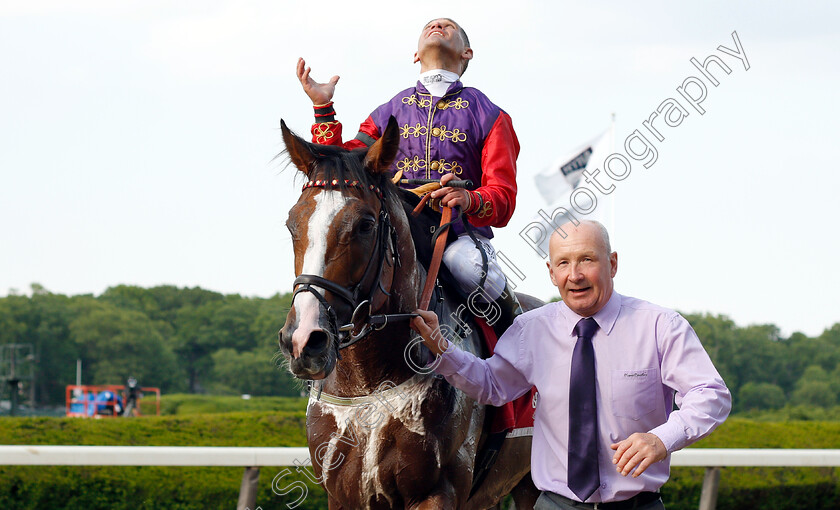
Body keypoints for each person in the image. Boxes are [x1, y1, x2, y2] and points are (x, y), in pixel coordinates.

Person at [411, 220, 731, 509]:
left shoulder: (661, 326)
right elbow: (492, 385)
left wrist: (662, 438)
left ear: (613, 264)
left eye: (586, 259)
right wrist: (442, 348)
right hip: (555, 504)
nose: (574, 275)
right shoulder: (530, 329)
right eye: (563, 263)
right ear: (551, 272)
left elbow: (711, 395)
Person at [295, 17, 521, 324]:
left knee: (467, 265)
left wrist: (469, 199)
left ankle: (517, 336)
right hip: (398, 228)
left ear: (467, 52)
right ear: (416, 55)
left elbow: (504, 199)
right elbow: (343, 164)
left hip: (457, 234)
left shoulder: (491, 115)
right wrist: (323, 108)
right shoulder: (390, 109)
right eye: (430, 25)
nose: (438, 25)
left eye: (448, 26)